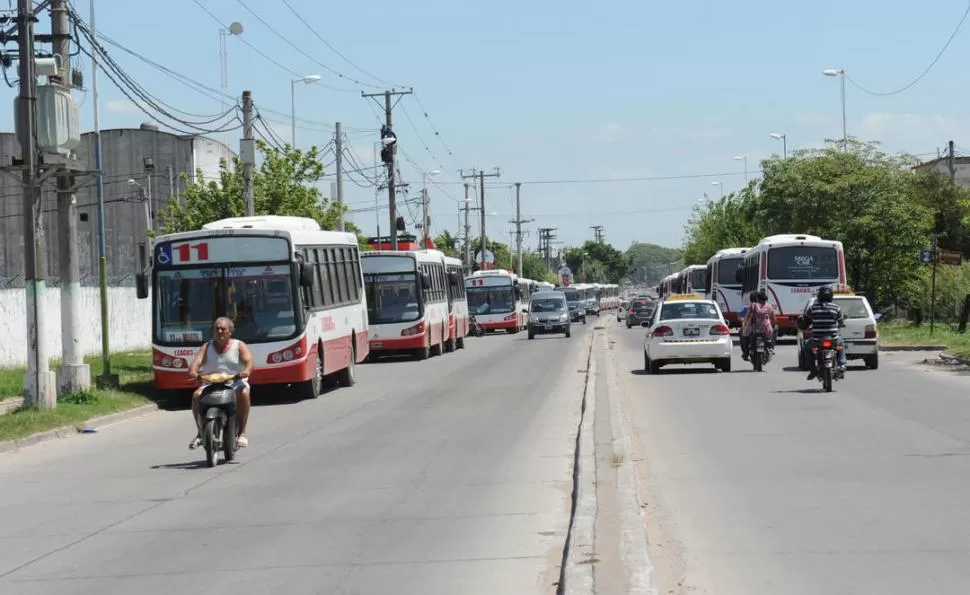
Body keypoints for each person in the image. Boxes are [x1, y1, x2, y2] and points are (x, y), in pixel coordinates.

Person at [186, 317, 253, 450]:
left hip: (234, 382)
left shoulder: (239, 345)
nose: (220, 331)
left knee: (244, 393)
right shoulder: (207, 346)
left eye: (223, 329)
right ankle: (200, 432)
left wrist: (246, 371)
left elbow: (249, 362)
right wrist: (193, 371)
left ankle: (242, 432)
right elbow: (196, 362)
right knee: (196, 395)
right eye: (217, 329)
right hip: (210, 383)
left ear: (230, 332)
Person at [801, 285, 847, 380]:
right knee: (841, 346)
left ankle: (813, 369)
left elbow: (806, 321)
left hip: (817, 340)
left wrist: (806, 326)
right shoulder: (836, 307)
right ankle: (842, 365)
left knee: (806, 347)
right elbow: (841, 322)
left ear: (819, 295)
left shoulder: (812, 308)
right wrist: (840, 324)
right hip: (833, 339)